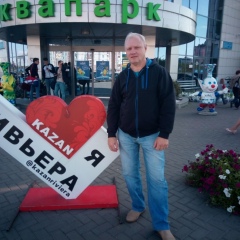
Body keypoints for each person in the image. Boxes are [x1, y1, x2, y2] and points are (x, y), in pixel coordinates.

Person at [107, 33, 176, 240]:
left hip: (152, 136)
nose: (133, 52)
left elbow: (168, 105)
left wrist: (164, 134)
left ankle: (161, 224)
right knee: (130, 175)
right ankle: (138, 206)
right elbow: (114, 106)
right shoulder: (123, 76)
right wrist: (111, 134)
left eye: (136, 47)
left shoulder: (159, 73)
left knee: (156, 180)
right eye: (129, 49)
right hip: (126, 135)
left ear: (145, 48)